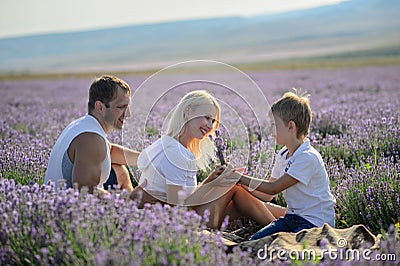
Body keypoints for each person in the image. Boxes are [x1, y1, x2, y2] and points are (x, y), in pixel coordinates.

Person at [130, 90, 280, 229]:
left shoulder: (164, 143)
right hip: (177, 224)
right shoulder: (176, 153)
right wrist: (216, 184)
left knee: (239, 197)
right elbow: (179, 208)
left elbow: (184, 196)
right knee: (234, 188)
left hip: (171, 216)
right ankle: (279, 227)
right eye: (206, 117)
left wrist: (209, 181)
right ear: (188, 112)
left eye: (213, 121)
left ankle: (288, 218)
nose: (210, 126)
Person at [224, 89, 336, 240]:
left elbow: (273, 188)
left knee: (289, 250)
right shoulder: (283, 154)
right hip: (291, 218)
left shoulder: (307, 157)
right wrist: (239, 180)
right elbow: (268, 195)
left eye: (274, 125)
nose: (271, 131)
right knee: (255, 241)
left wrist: (240, 178)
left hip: (316, 223)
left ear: (291, 126)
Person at [44, 75, 140, 194]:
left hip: (56, 201)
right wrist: (125, 201)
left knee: (118, 168)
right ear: (100, 107)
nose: (128, 114)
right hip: (67, 209)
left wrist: (147, 159)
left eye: (128, 107)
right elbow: (85, 191)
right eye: (121, 107)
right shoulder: (91, 139)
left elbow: (110, 151)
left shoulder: (81, 125)